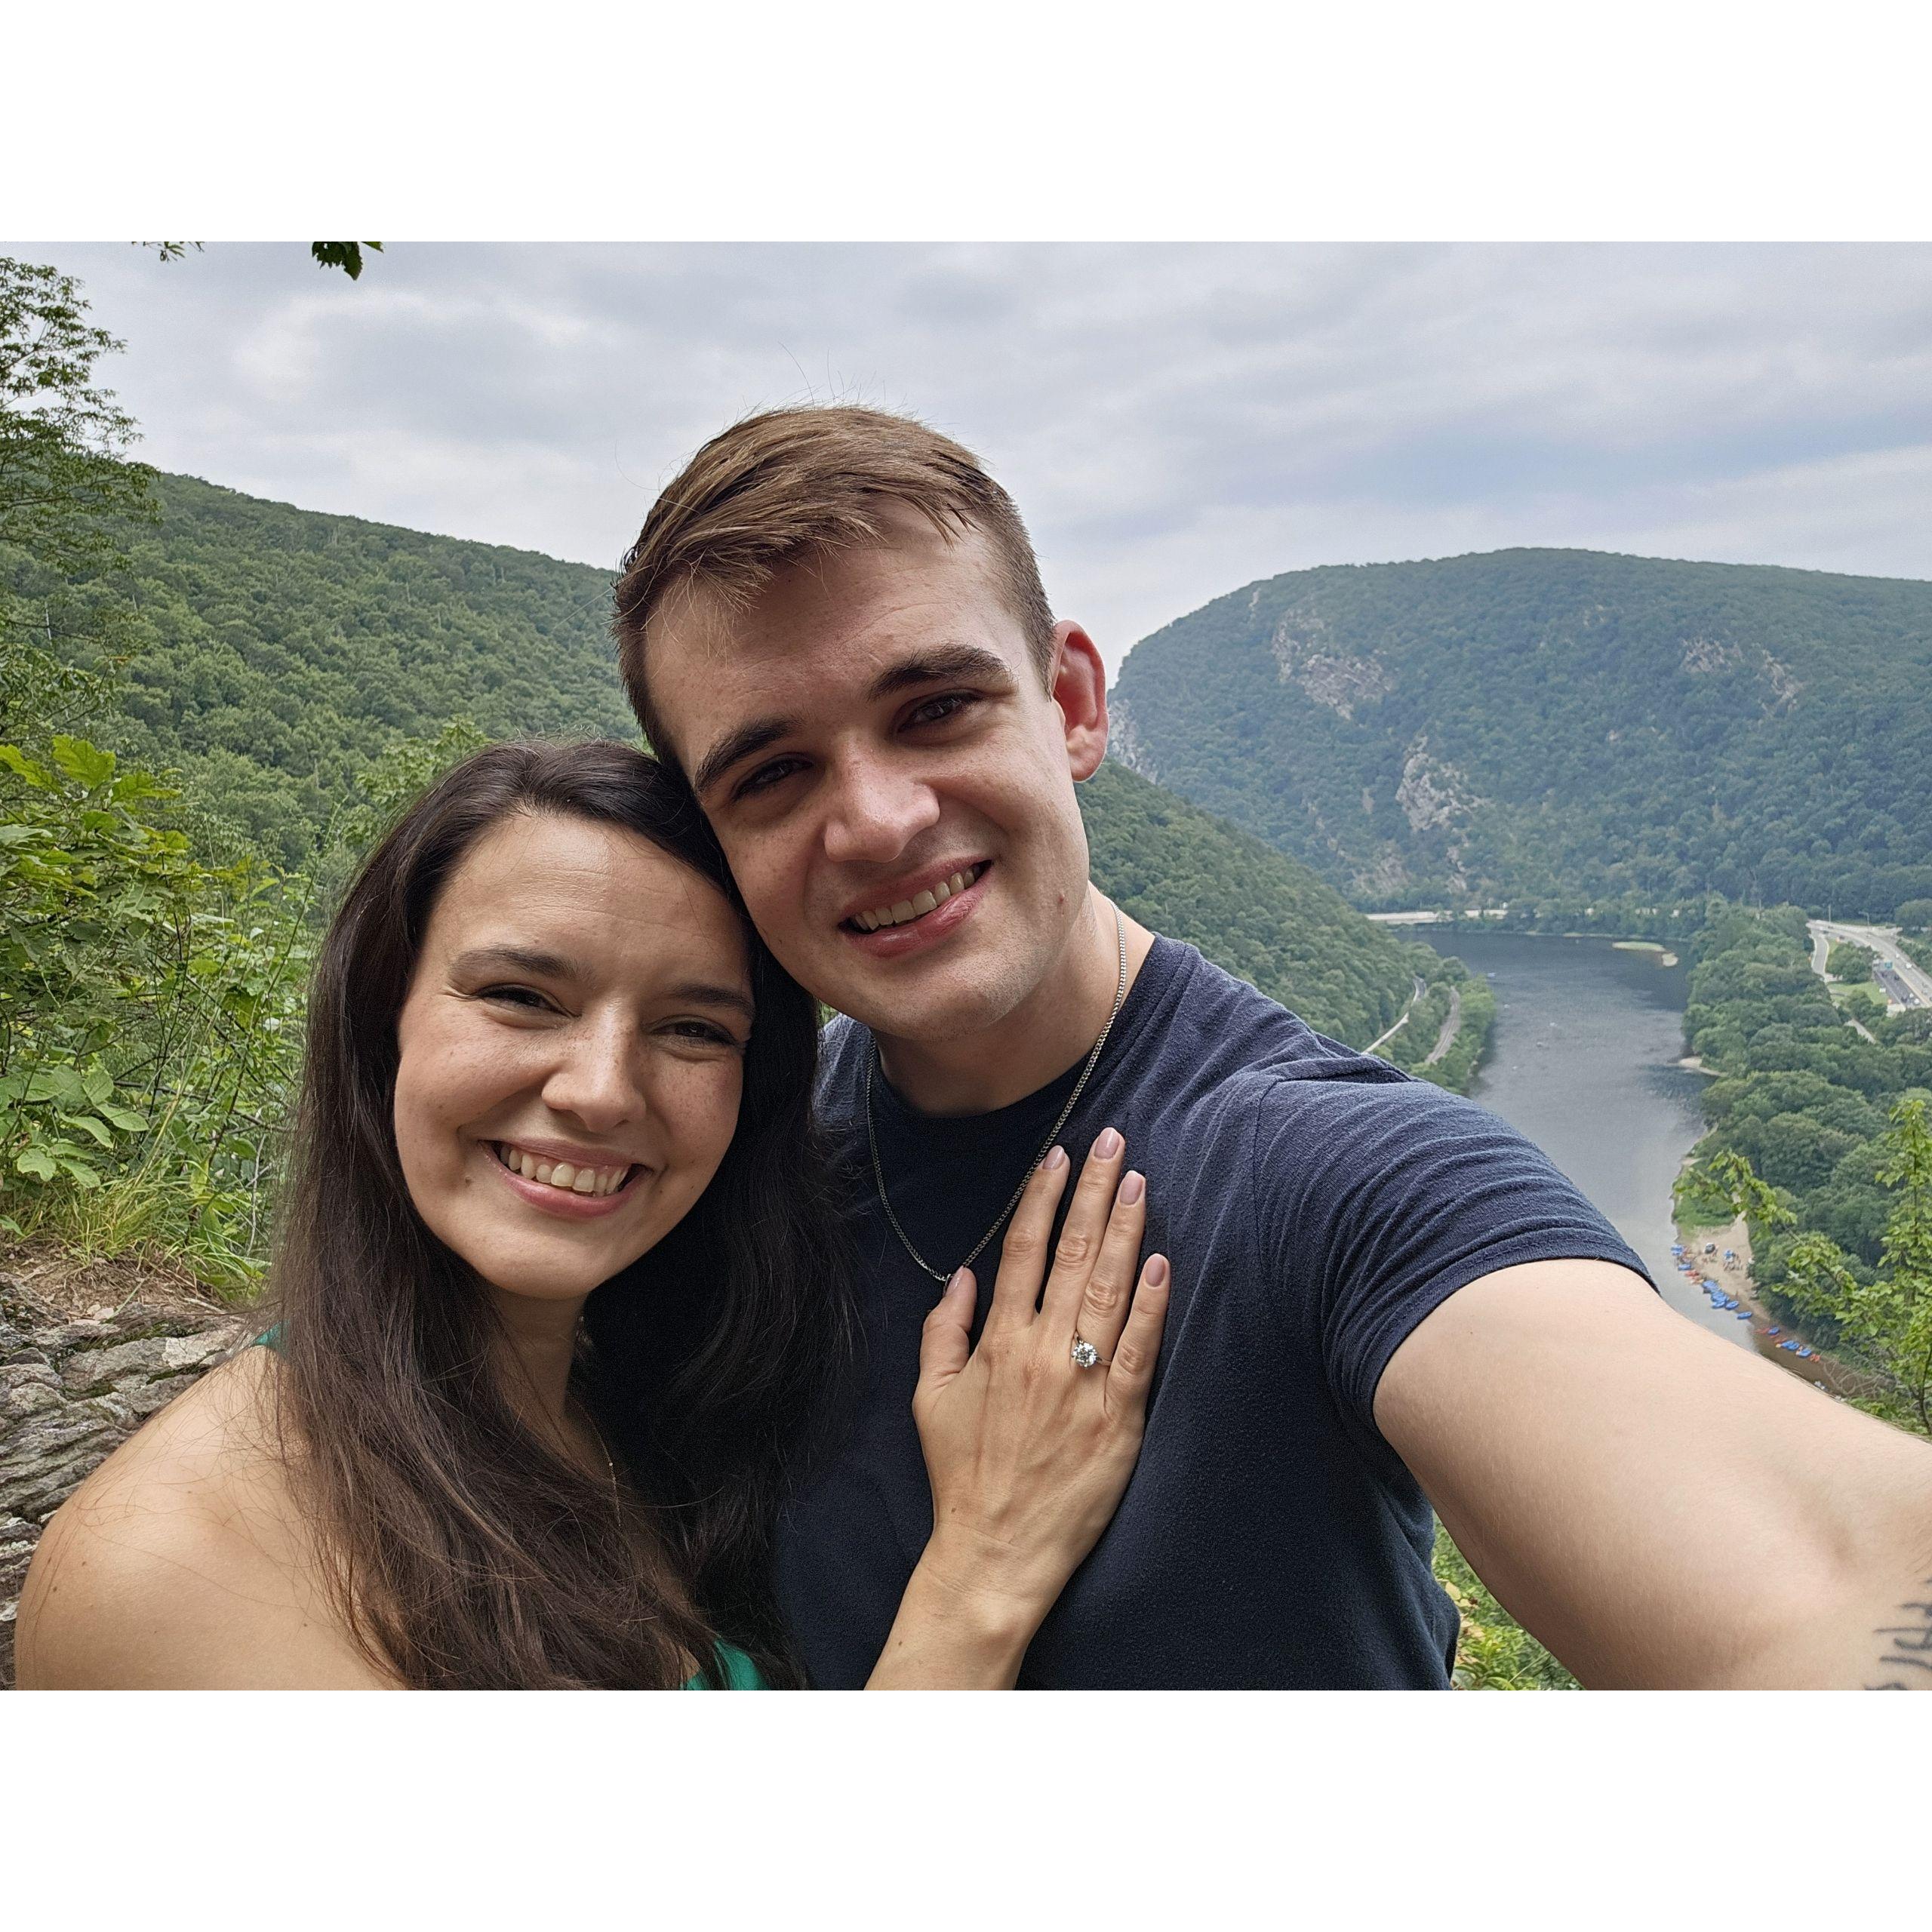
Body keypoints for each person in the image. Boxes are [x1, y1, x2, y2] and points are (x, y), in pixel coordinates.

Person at [612, 404, 1932, 1689]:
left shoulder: (1330, 1175)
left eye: (937, 708)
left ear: (1071, 703)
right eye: (773, 774)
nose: (880, 822)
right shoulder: (726, 1167)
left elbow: (1826, 1574)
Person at [15, 742, 1169, 1689]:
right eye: (522, 997)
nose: (603, 1090)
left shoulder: (638, 1408)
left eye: (694, 1029)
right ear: (385, 1021)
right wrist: (978, 1586)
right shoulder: (169, 1569)